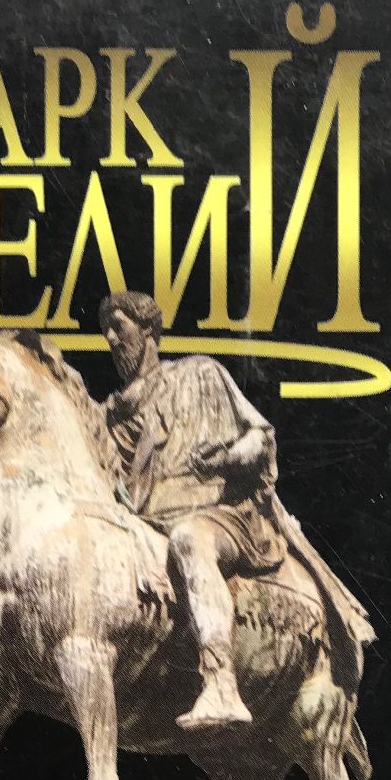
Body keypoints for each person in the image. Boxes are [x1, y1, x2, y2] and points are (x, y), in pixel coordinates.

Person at [100, 289, 284, 732]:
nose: (110, 339)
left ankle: (221, 683)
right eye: (105, 330)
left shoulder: (200, 373)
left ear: (148, 329)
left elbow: (259, 436)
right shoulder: (114, 414)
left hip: (220, 515)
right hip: (147, 523)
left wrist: (229, 457)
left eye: (118, 327)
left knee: (189, 538)